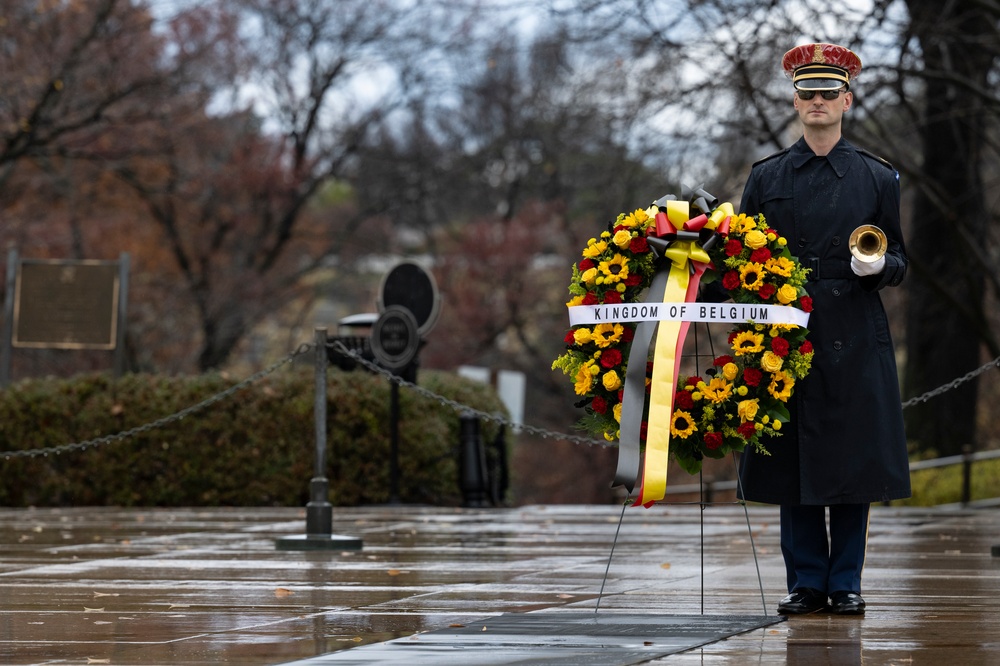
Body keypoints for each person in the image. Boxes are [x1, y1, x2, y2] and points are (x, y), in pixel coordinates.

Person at [736, 43, 911, 615]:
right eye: (807, 93)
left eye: (827, 93)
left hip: (856, 330)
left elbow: (901, 261)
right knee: (795, 457)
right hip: (787, 329)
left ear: (846, 100)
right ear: (795, 100)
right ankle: (806, 581)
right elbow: (742, 260)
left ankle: (847, 582)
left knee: (853, 460)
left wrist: (877, 266)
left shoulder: (877, 177)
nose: (817, 101)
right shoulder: (767, 176)